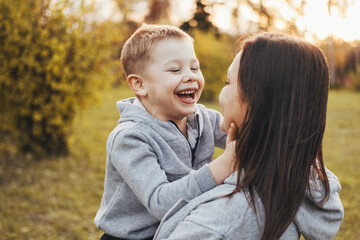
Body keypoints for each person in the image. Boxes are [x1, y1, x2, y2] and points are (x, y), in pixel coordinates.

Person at [154, 32, 344, 240]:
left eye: (227, 83)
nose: (221, 93)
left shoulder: (219, 222)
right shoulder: (289, 185)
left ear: (257, 102)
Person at [94, 24, 236, 240]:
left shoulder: (203, 119)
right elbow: (160, 202)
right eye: (175, 70)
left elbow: (243, 134)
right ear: (139, 84)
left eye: (195, 68)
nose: (190, 76)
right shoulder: (129, 137)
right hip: (132, 237)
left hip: (180, 230)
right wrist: (223, 166)